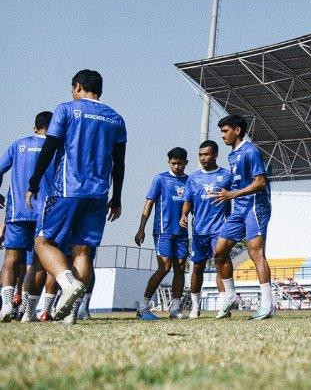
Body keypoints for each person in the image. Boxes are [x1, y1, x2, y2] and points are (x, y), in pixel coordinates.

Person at [26, 70, 127, 322]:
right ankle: (71, 314)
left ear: (78, 86)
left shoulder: (66, 110)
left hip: (67, 190)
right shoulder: (116, 118)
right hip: (98, 194)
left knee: (43, 243)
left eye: (72, 89)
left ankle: (68, 283)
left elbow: (49, 148)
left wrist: (34, 182)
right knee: (82, 251)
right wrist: (116, 198)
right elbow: (120, 163)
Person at [210, 114, 274, 320]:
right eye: (221, 132)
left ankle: (267, 305)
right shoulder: (232, 155)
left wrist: (232, 194)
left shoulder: (251, 151)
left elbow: (260, 182)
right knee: (219, 252)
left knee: (255, 253)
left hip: (256, 208)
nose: (222, 135)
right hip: (238, 210)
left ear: (237, 130)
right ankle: (229, 295)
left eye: (225, 131)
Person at [0, 111, 57, 321]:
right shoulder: (56, 147)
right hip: (45, 212)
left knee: (11, 259)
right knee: (39, 263)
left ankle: (6, 305)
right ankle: (28, 311)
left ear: (35, 128)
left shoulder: (18, 145)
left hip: (18, 211)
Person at [134, 147, 190, 319]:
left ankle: (175, 309)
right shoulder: (160, 179)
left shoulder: (189, 181)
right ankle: (143, 306)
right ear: (168, 163)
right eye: (173, 163)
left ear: (185, 163)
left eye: (180, 164)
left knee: (180, 268)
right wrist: (141, 228)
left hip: (181, 232)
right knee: (164, 267)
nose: (176, 167)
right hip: (163, 231)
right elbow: (149, 203)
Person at [180, 139, 233, 318]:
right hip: (199, 231)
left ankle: (224, 305)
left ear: (215, 155)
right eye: (200, 155)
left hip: (220, 229)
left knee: (220, 264)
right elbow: (188, 200)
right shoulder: (194, 178)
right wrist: (184, 215)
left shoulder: (227, 176)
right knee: (197, 267)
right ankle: (195, 307)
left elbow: (235, 198)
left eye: (206, 154)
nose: (203, 158)